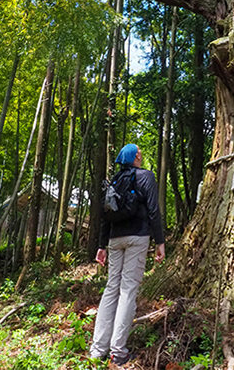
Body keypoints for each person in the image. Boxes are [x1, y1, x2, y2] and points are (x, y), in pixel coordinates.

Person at [89, 143, 166, 365]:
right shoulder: (145, 177)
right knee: (128, 290)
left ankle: (97, 349)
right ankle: (118, 351)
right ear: (135, 157)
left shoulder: (115, 180)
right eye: (139, 152)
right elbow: (153, 210)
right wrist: (159, 241)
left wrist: (102, 245)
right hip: (137, 238)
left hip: (114, 239)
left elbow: (105, 214)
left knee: (111, 289)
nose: (141, 155)